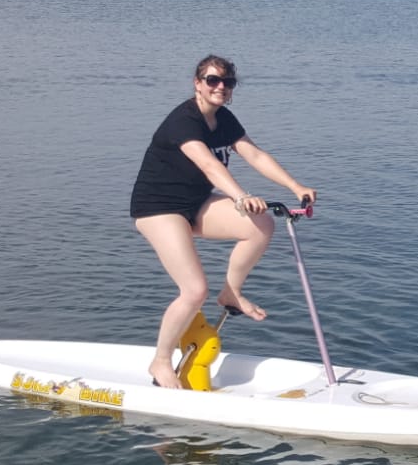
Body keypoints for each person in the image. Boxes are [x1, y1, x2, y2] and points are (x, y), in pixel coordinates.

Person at [130, 55, 316, 388]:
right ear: (197, 83)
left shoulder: (224, 118)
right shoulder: (183, 121)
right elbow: (209, 166)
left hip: (195, 203)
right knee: (194, 290)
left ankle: (231, 292)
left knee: (259, 225)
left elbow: (255, 154)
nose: (221, 87)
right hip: (158, 208)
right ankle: (160, 361)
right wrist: (241, 197)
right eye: (213, 80)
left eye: (227, 83)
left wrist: (295, 186)